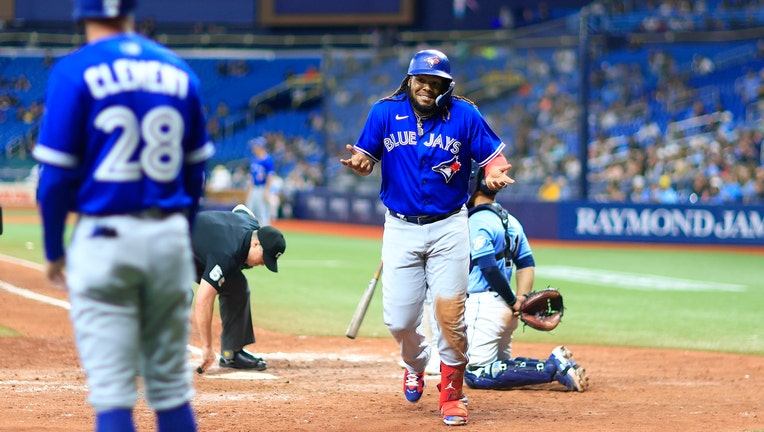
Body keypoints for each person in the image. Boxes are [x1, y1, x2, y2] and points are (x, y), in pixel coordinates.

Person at [32, 0, 214, 430]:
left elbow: (54, 180)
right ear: (131, 12)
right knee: (170, 392)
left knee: (113, 395)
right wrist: (179, 237)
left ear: (81, 15)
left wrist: (55, 249)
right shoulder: (178, 69)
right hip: (168, 236)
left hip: (105, 238)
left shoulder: (74, 70)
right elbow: (195, 175)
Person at [340, 48, 514, 427]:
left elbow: (493, 157)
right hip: (400, 226)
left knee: (450, 316)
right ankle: (415, 364)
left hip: (450, 226)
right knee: (399, 320)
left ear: (446, 87)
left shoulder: (465, 114)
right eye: (422, 80)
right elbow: (366, 158)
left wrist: (496, 172)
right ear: (409, 80)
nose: (427, 87)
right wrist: (361, 164)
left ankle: (452, 394)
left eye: (436, 83)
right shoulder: (383, 112)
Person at [463, 167, 589, 392]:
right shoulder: (511, 220)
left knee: (477, 373)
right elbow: (526, 263)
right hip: (504, 307)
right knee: (501, 366)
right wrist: (520, 298)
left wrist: (513, 301)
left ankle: (553, 368)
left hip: (484, 306)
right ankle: (558, 364)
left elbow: (489, 268)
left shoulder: (477, 221)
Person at [192, 204, 286, 374]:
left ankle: (231, 353)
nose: (263, 263)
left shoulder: (252, 226)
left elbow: (241, 209)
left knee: (237, 287)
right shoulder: (227, 253)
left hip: (198, 252)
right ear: (256, 244)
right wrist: (207, 347)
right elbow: (203, 300)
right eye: (264, 258)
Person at [246, 136, 276, 226]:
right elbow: (251, 176)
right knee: (249, 209)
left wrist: (267, 191)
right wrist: (249, 190)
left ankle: (266, 233)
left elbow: (270, 176)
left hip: (263, 188)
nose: (254, 148)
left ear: (260, 147)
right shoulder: (254, 160)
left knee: (262, 211)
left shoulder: (268, 160)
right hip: (254, 188)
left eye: (255, 146)